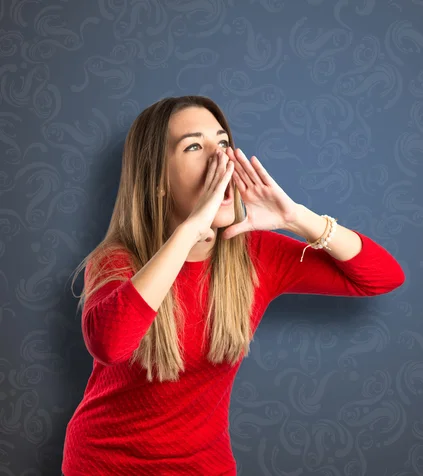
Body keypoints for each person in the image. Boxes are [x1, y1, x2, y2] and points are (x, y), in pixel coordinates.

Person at [61, 95, 405, 475]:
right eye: (194, 146)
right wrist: (192, 228)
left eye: (223, 144)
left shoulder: (253, 254)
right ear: (158, 180)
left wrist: (297, 218)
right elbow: (110, 345)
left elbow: (383, 276)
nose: (220, 159)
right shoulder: (117, 259)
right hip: (103, 463)